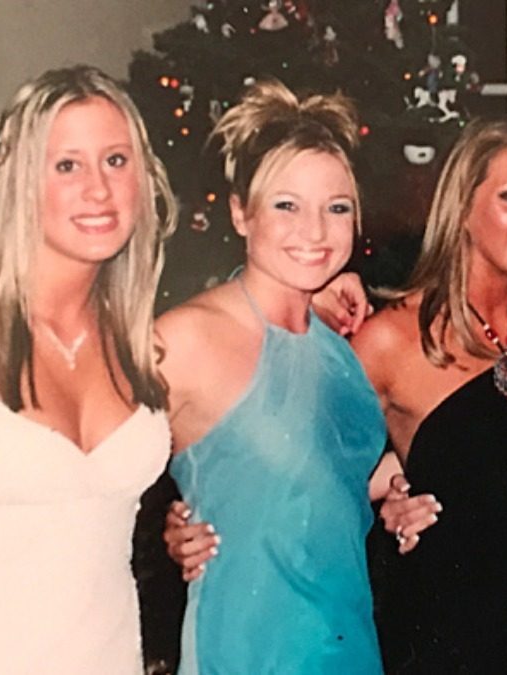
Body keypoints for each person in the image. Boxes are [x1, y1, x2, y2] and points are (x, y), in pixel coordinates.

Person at [156, 80, 410, 673]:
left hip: (345, 643)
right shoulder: (188, 337)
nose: (315, 232)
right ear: (240, 213)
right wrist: (168, 531)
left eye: (336, 208)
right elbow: (85, 467)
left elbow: (327, 483)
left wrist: (402, 488)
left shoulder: (340, 343)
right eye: (286, 206)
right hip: (247, 651)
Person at [0, 66, 175, 673]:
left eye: (116, 161)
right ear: (22, 183)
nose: (99, 189)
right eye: (67, 165)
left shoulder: (141, 342)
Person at [352, 116, 507, 672]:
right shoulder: (391, 338)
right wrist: (386, 509)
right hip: (448, 642)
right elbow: (317, 483)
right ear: (462, 206)